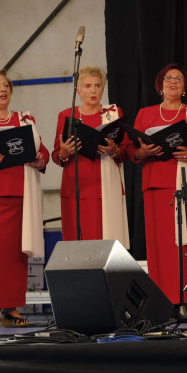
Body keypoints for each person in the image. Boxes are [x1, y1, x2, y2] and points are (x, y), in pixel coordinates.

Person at [129, 63, 187, 307]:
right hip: (157, 185)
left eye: (179, 79)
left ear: (185, 87)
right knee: (160, 248)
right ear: (160, 86)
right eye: (168, 78)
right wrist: (143, 151)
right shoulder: (145, 113)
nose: (173, 82)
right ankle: (162, 303)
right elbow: (131, 150)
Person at [0, 70, 49, 328]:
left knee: (16, 255)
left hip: (21, 194)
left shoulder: (24, 119)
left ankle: (12, 308)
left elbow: (43, 152)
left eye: (5, 85)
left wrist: (39, 159)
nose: (2, 90)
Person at [52, 65, 130, 245]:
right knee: (76, 243)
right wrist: (64, 152)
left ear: (103, 89)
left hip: (105, 188)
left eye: (97, 85)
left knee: (104, 243)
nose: (93, 90)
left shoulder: (113, 113)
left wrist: (114, 150)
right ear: (79, 91)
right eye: (87, 86)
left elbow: (126, 150)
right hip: (76, 188)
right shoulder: (67, 115)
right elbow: (57, 155)